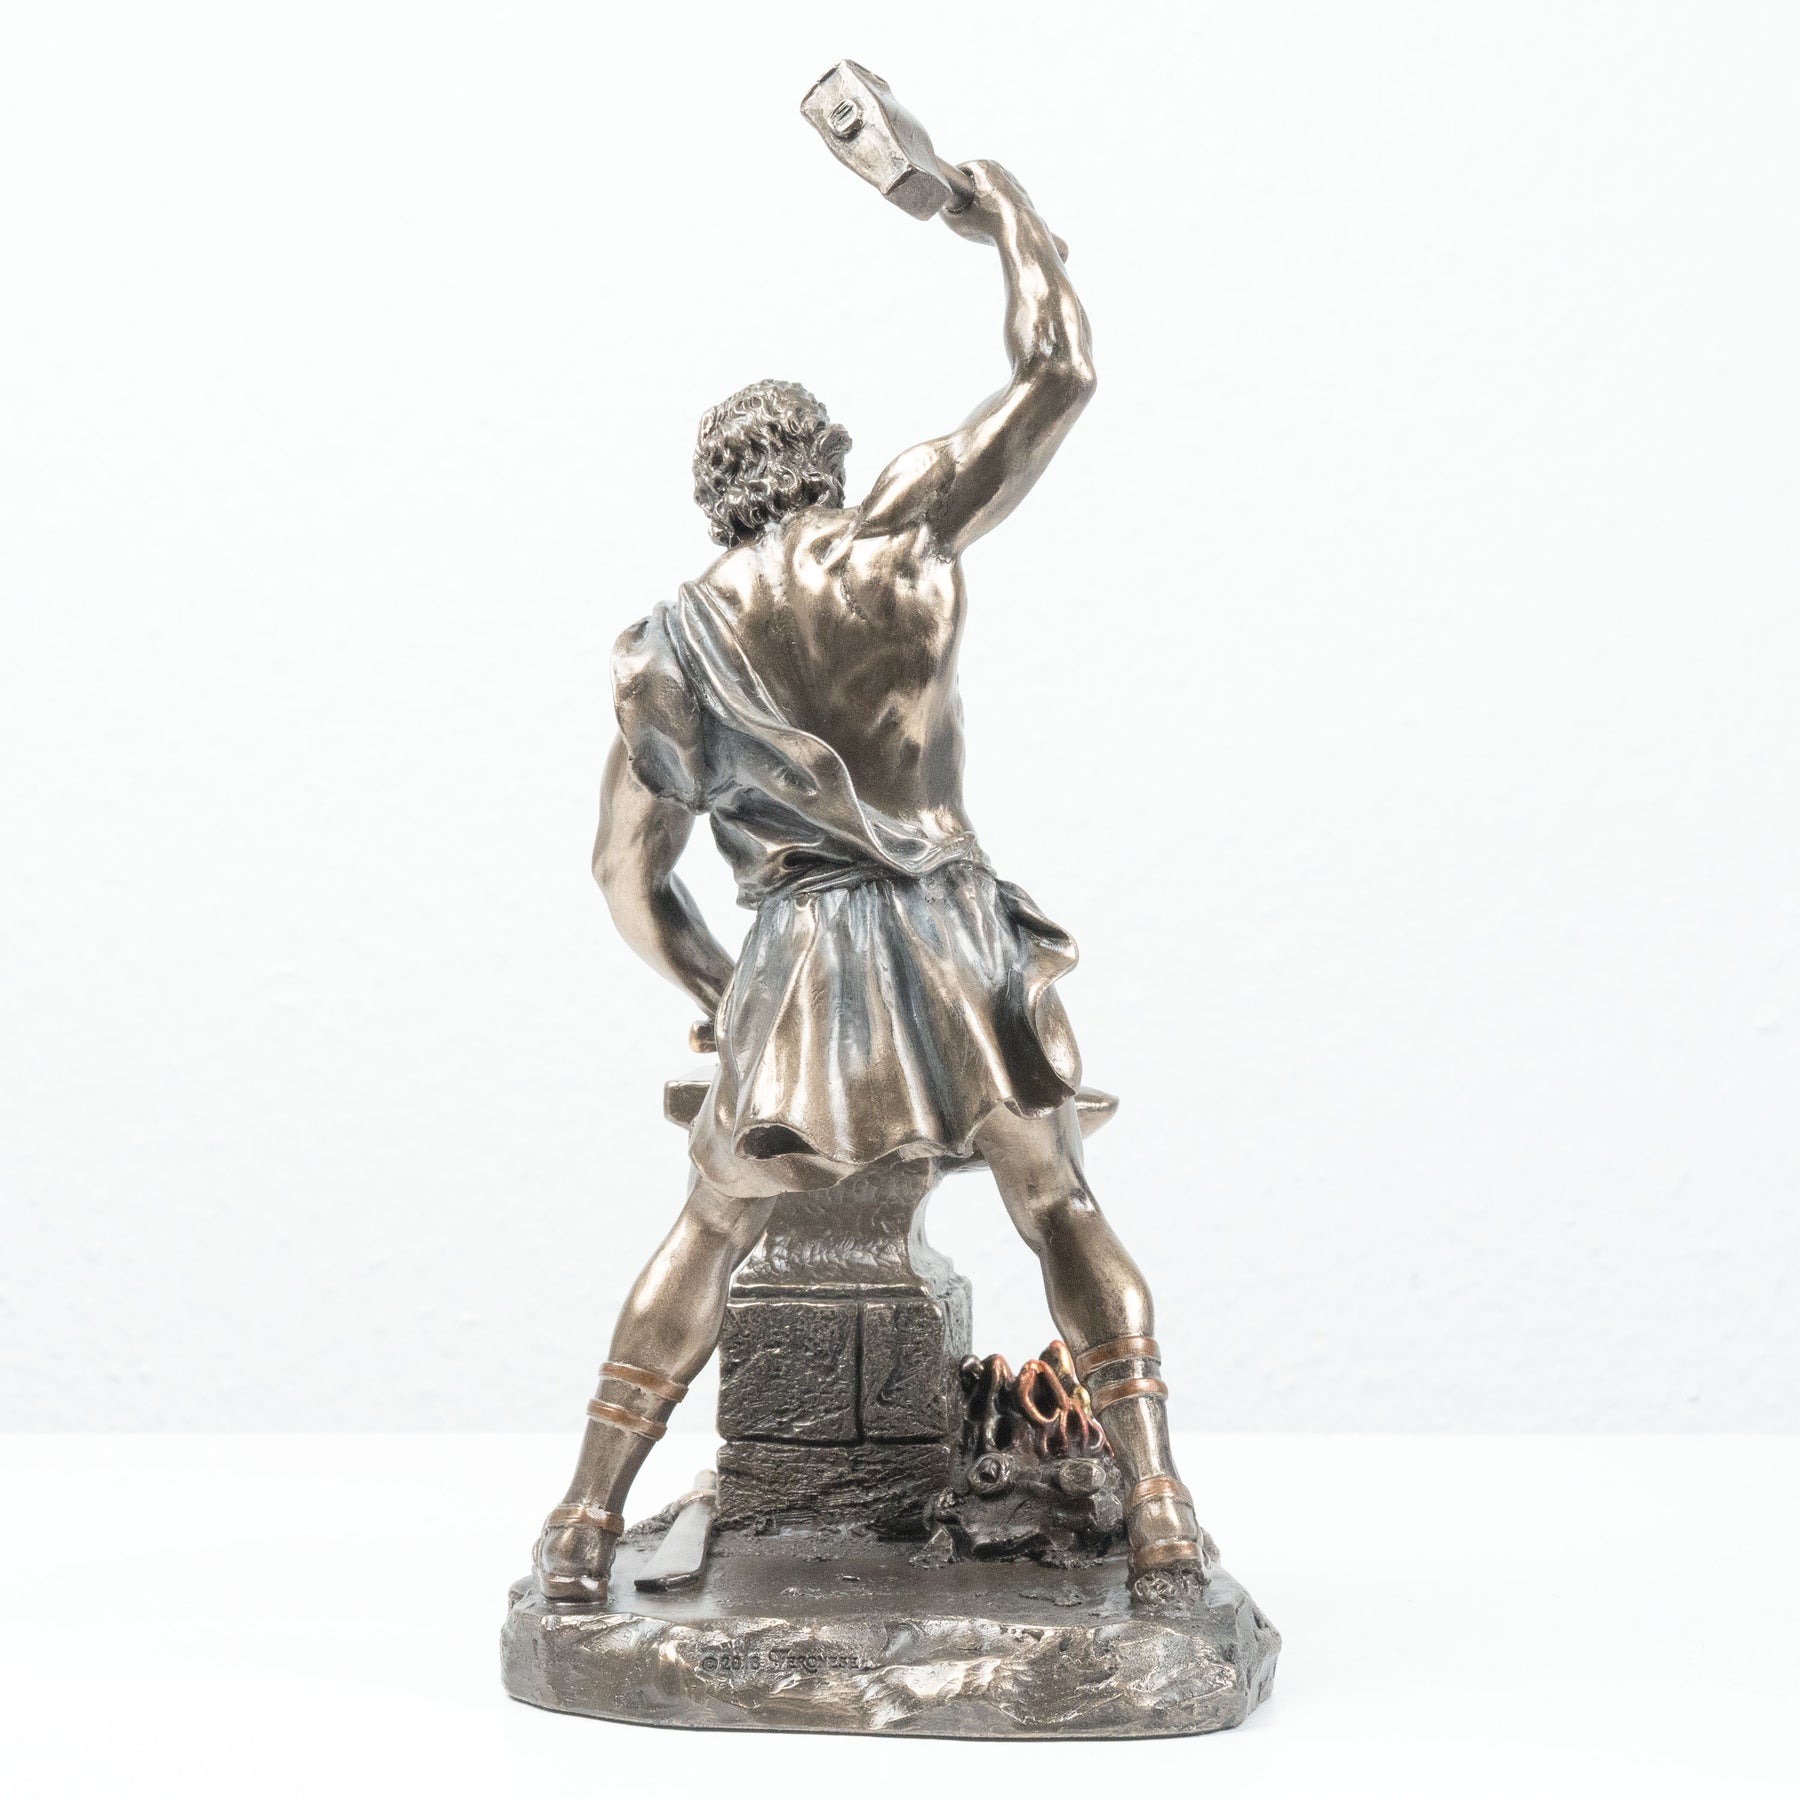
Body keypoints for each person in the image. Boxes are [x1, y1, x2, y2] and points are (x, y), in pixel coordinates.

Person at [535, 162, 1206, 1609]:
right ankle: (1158, 1505)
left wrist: (724, 991)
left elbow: (623, 876)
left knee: (714, 1224)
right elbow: (1058, 369)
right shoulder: (901, 536)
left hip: (797, 958)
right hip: (953, 934)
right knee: (1056, 1204)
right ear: (826, 462)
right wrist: (1002, 215)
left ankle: (585, 1519)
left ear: (716, 497)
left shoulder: (670, 651)